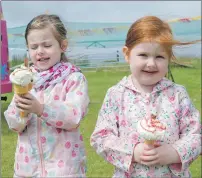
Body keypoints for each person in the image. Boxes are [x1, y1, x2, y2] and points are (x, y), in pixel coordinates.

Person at [90, 16, 201, 178]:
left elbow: (196, 135)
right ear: (127, 54)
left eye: (159, 57)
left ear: (169, 58)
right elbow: (101, 138)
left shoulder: (177, 94)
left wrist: (174, 153)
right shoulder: (116, 95)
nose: (151, 63)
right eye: (143, 55)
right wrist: (132, 151)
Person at [4, 14, 90, 177]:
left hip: (63, 169)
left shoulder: (73, 78)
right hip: (27, 168)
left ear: (62, 45)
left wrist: (41, 109)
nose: (40, 51)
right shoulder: (25, 80)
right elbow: (15, 125)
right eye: (34, 47)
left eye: (47, 45)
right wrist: (20, 110)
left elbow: (73, 117)